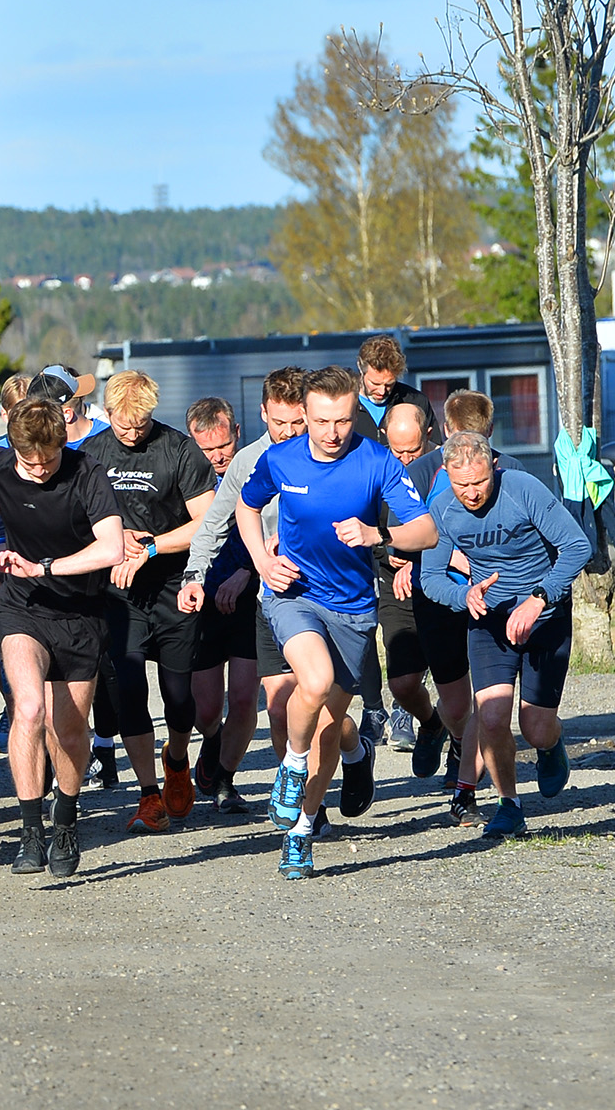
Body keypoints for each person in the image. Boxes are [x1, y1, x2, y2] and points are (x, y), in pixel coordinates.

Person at [237, 366, 435, 879]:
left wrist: (378, 536)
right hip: (293, 594)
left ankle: (302, 829)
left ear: (354, 415)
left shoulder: (376, 460)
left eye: (343, 421)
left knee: (330, 724)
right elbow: (246, 504)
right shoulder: (279, 458)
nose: (332, 433)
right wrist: (261, 560)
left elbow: (427, 530)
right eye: (322, 421)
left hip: (352, 609)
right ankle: (290, 766)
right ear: (304, 415)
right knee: (315, 681)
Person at [0, 399, 124, 879]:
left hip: (80, 612)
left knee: (69, 730)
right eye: (27, 460)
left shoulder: (87, 474)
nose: (37, 470)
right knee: (29, 709)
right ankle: (31, 831)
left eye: (48, 460)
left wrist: (47, 567)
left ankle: (67, 817)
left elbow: (112, 547)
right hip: (23, 605)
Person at [417, 433, 591, 836]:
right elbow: (429, 578)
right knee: (492, 716)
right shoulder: (442, 509)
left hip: (544, 617)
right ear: (446, 475)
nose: (472, 493)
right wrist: (464, 595)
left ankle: (551, 744)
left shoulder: (522, 489)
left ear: (493, 467)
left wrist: (539, 598)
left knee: (535, 727)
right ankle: (509, 804)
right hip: (490, 622)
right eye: (462, 485)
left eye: (480, 482)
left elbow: (577, 547)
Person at [79, 370, 218, 834]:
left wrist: (153, 545)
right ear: (108, 412)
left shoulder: (178, 450)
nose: (132, 432)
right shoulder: (92, 454)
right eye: (123, 423)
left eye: (140, 424)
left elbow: (206, 521)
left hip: (173, 584)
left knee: (181, 700)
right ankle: (148, 794)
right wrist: (117, 538)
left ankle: (176, 760)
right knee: (129, 689)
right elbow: (78, 519)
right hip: (118, 589)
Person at [181, 367, 312, 814]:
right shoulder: (248, 463)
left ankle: (336, 768)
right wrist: (194, 575)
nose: (290, 433)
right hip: (261, 600)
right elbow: (213, 525)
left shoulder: (337, 455)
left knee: (300, 703)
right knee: (269, 705)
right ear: (263, 415)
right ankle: (298, 795)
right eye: (280, 423)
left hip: (321, 595)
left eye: (298, 423)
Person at [181, 397, 259, 815]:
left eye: (222, 446)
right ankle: (212, 742)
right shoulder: (190, 481)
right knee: (207, 710)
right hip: (204, 602)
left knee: (245, 699)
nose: (217, 456)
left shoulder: (255, 470)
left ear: (237, 433)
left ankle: (227, 780)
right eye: (206, 449)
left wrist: (247, 570)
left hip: (251, 597)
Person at [375, 397, 442, 759]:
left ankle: (462, 763)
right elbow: (364, 529)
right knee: (402, 682)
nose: (404, 459)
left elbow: (452, 533)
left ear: (428, 435)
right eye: (396, 449)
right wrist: (386, 553)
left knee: (455, 685)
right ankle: (431, 723)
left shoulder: (443, 469)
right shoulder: (377, 468)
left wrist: (420, 563)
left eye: (412, 450)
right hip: (394, 583)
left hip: (444, 584)